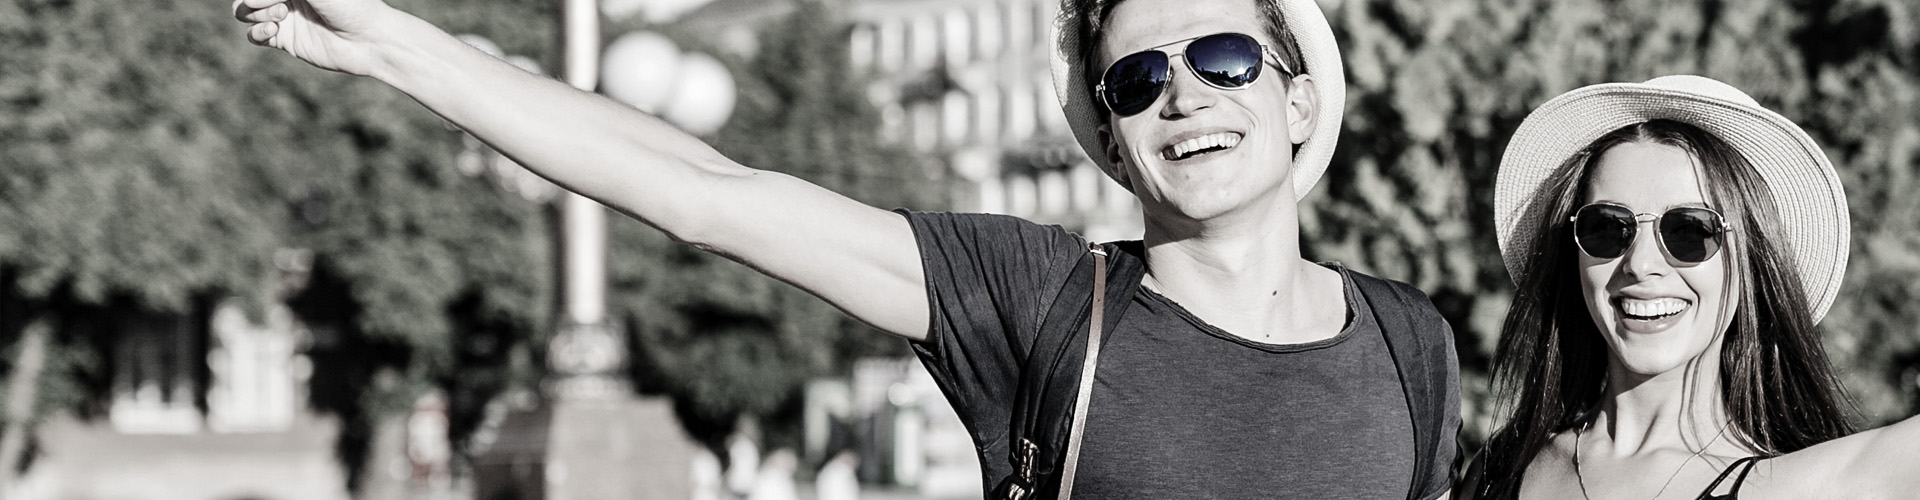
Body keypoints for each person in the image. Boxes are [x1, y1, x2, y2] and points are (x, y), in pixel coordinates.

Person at [229, 0, 1459, 497]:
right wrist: (397, 48)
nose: (1184, 95)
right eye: (1139, 78)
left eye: (1226, 58)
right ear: (1114, 138)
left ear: (1298, 97)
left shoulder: (1412, 344)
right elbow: (705, 192)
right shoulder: (1038, 299)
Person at [1464, 75, 1920, 499]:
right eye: (1607, 227)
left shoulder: (1797, 485)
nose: (1641, 264)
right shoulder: (1499, 471)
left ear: (1752, 259)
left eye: (1689, 230)